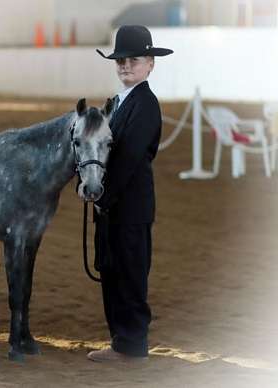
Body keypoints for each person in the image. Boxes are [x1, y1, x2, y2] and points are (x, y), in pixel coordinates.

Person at [87, 25, 173, 362]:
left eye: (133, 60)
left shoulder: (146, 105)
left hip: (129, 206)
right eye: (120, 60)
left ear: (150, 63)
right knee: (112, 272)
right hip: (113, 205)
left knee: (129, 273)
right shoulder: (118, 103)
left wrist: (101, 197)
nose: (125, 65)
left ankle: (132, 345)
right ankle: (121, 342)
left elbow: (127, 158)